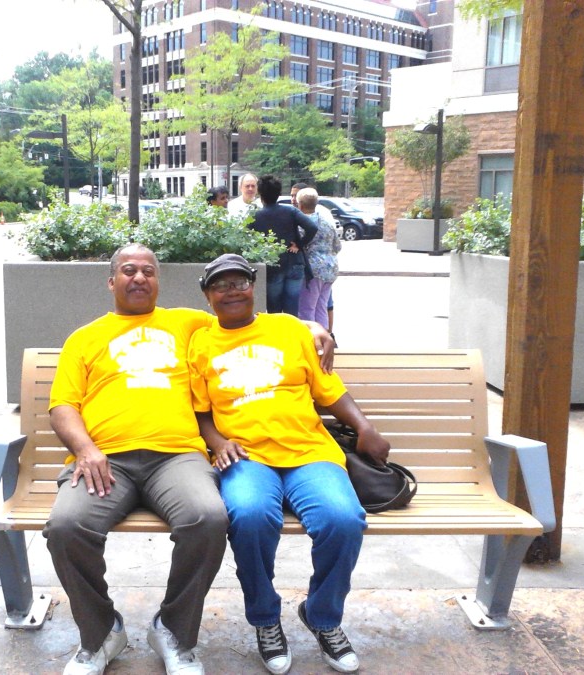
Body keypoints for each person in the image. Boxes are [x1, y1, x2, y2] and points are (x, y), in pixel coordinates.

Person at [44, 244, 334, 675]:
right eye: (129, 270)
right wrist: (86, 449)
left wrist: (311, 325)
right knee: (67, 527)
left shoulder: (188, 323)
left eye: (148, 271)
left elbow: (252, 321)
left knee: (208, 517)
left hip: (177, 456)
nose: (139, 278)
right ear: (111, 281)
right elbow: (62, 406)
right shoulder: (84, 338)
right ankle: (101, 633)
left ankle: (174, 631)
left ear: (158, 282)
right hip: (107, 459)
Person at [188, 254, 390, 675]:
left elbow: (329, 391)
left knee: (343, 519)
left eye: (239, 282)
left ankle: (322, 616)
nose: (231, 291)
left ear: (254, 286)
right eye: (220, 285)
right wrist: (218, 442)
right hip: (247, 457)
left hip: (308, 452)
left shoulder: (290, 330)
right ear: (207, 296)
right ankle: (265, 618)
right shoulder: (201, 344)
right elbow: (201, 412)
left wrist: (364, 427)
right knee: (248, 517)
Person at [249, 174, 317, 315]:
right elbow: (312, 227)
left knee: (274, 310)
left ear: (260, 194)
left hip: (273, 265)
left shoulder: (255, 216)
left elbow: (246, 238)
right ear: (279, 193)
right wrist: (299, 244)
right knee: (292, 308)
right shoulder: (290, 210)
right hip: (295, 262)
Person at [296, 188, 341, 331]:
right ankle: (324, 338)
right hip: (331, 269)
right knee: (322, 306)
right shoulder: (326, 223)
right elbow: (337, 246)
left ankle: (311, 340)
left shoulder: (302, 224)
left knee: (307, 309)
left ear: (300, 205)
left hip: (313, 270)